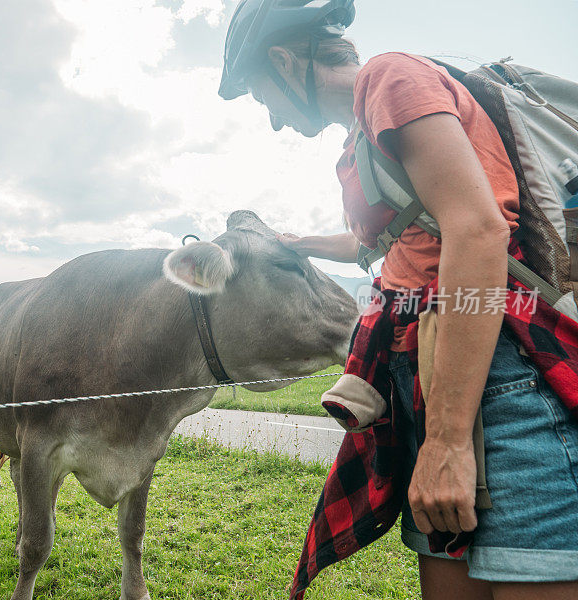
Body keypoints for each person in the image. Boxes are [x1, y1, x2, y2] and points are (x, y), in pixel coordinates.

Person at [219, 1, 578, 599]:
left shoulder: (391, 78)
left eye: (263, 100)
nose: (275, 122)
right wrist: (301, 242)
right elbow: (405, 236)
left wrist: (447, 441)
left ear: (284, 62)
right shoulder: (360, 138)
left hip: (495, 378)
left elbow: (478, 229)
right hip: (429, 378)